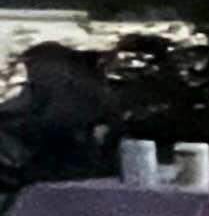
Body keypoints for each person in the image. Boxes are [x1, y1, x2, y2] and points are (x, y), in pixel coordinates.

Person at [0, 40, 121, 192]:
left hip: (66, 164)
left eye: (32, 65)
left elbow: (57, 122)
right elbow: (18, 107)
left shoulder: (75, 86)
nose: (30, 71)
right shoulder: (44, 87)